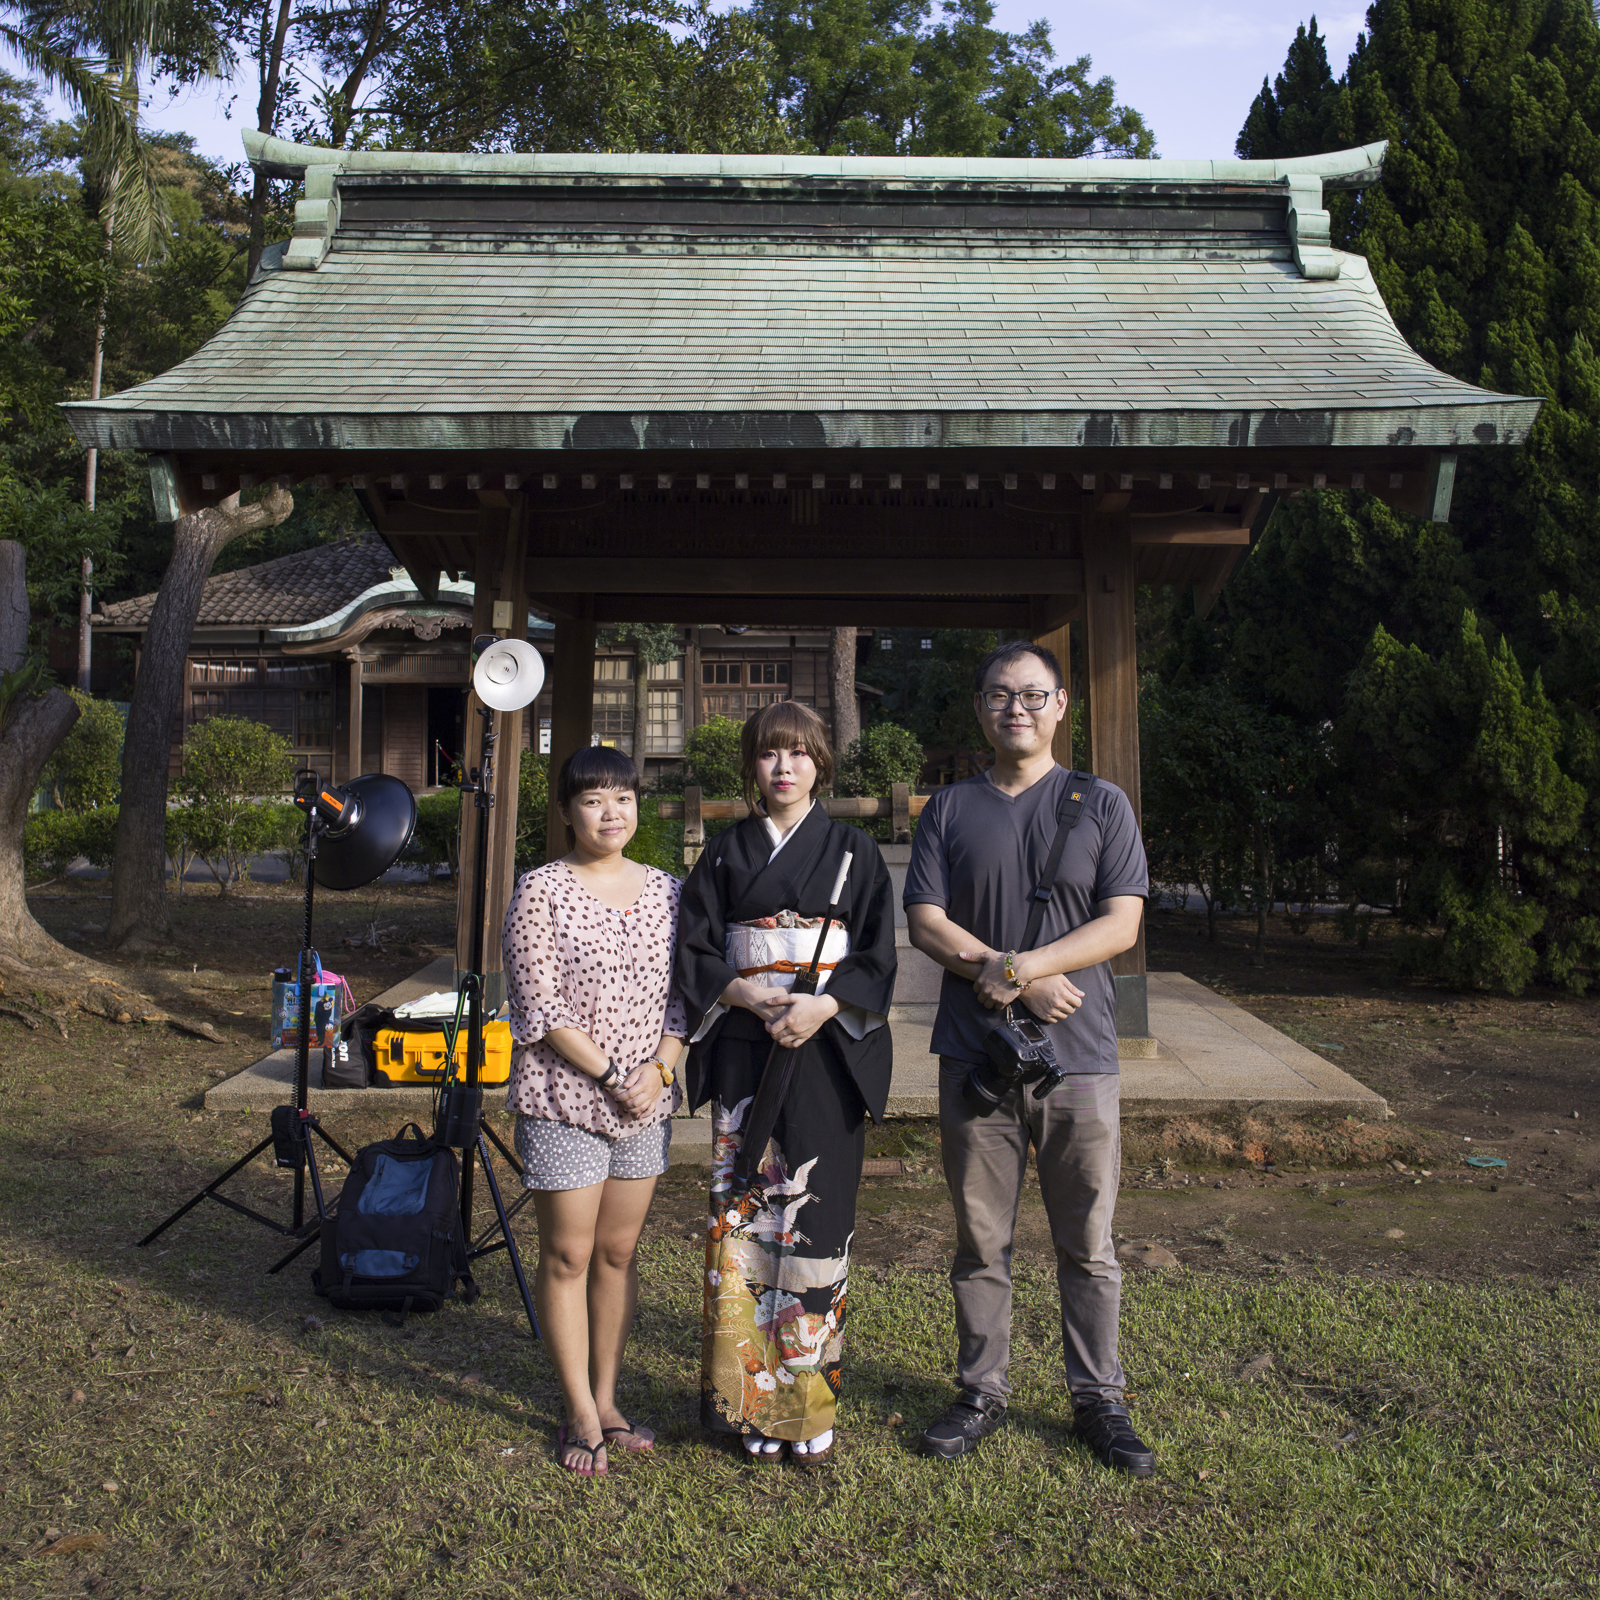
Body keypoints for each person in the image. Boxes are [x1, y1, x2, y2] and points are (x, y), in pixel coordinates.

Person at [903, 640, 1154, 1475]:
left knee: (1089, 1240)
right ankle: (981, 1390)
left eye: (1034, 695)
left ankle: (1099, 1399)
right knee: (981, 1239)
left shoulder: (1101, 804)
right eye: (1001, 695)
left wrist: (1020, 972)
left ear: (1062, 705)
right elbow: (927, 924)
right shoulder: (945, 809)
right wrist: (1017, 981)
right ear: (980, 707)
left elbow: (1122, 924)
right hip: (975, 1057)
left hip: (1079, 1059)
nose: (1018, 707)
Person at [675, 700, 897, 1466]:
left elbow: (876, 957)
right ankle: (746, 1400)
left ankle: (804, 1404)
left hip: (827, 1048)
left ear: (820, 764)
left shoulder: (854, 852)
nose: (783, 768)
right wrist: (742, 993)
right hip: (745, 1045)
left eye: (798, 754)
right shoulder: (728, 852)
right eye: (769, 754)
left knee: (818, 1221)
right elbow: (696, 946)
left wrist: (825, 1004)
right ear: (751, 766)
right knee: (743, 1225)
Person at [501, 745, 688, 1478]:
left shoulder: (671, 891)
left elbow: (687, 994)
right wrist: (613, 1073)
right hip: (565, 1097)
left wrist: (661, 1069)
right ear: (567, 811)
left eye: (623, 798)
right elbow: (538, 1004)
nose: (611, 813)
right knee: (569, 1254)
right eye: (592, 800)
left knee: (617, 1253)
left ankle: (609, 1399)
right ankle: (578, 1409)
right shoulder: (542, 889)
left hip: (647, 1099)